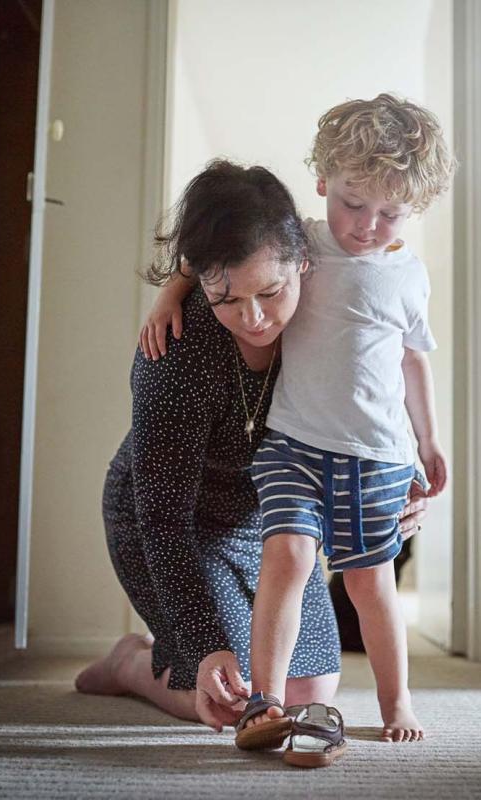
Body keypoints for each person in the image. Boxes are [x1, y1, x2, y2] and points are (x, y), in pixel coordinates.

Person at [140, 94, 456, 745]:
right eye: (352, 203)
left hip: (369, 458)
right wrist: (174, 287)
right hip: (265, 470)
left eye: (389, 212)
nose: (367, 226)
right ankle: (247, 696)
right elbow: (217, 248)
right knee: (269, 589)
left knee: (362, 601)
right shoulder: (296, 248)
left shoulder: (397, 273)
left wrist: (426, 444)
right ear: (323, 184)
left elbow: (412, 361)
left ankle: (397, 704)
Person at [75, 160, 430, 733]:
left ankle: (172, 654)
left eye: (271, 291)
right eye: (228, 299)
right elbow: (161, 517)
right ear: (204, 281)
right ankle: (132, 664)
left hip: (270, 520)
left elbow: (382, 392)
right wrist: (203, 642)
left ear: (305, 266)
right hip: (171, 522)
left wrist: (404, 480)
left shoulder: (327, 315)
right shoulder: (176, 353)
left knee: (310, 686)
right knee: (237, 688)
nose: (255, 317)